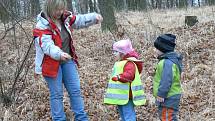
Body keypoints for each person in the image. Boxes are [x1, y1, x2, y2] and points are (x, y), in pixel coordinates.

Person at [33, 0, 103, 120]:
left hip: (67, 61)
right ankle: (59, 119)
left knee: (75, 90)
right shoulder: (41, 25)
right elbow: (47, 46)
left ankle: (81, 117)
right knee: (57, 94)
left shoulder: (65, 18)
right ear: (49, 8)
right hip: (50, 64)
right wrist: (59, 54)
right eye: (57, 9)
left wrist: (93, 17)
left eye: (62, 8)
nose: (60, 12)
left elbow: (79, 20)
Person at [104, 39, 146, 121]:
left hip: (127, 95)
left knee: (128, 115)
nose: (114, 54)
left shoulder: (129, 63)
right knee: (123, 115)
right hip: (121, 96)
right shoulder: (121, 63)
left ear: (122, 53)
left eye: (116, 52)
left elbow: (130, 75)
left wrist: (120, 77)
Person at [153, 34, 183, 121]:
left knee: (167, 118)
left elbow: (166, 80)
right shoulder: (172, 60)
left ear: (163, 49)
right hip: (170, 96)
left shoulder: (167, 62)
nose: (155, 50)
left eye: (157, 48)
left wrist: (161, 94)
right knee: (168, 117)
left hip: (168, 97)